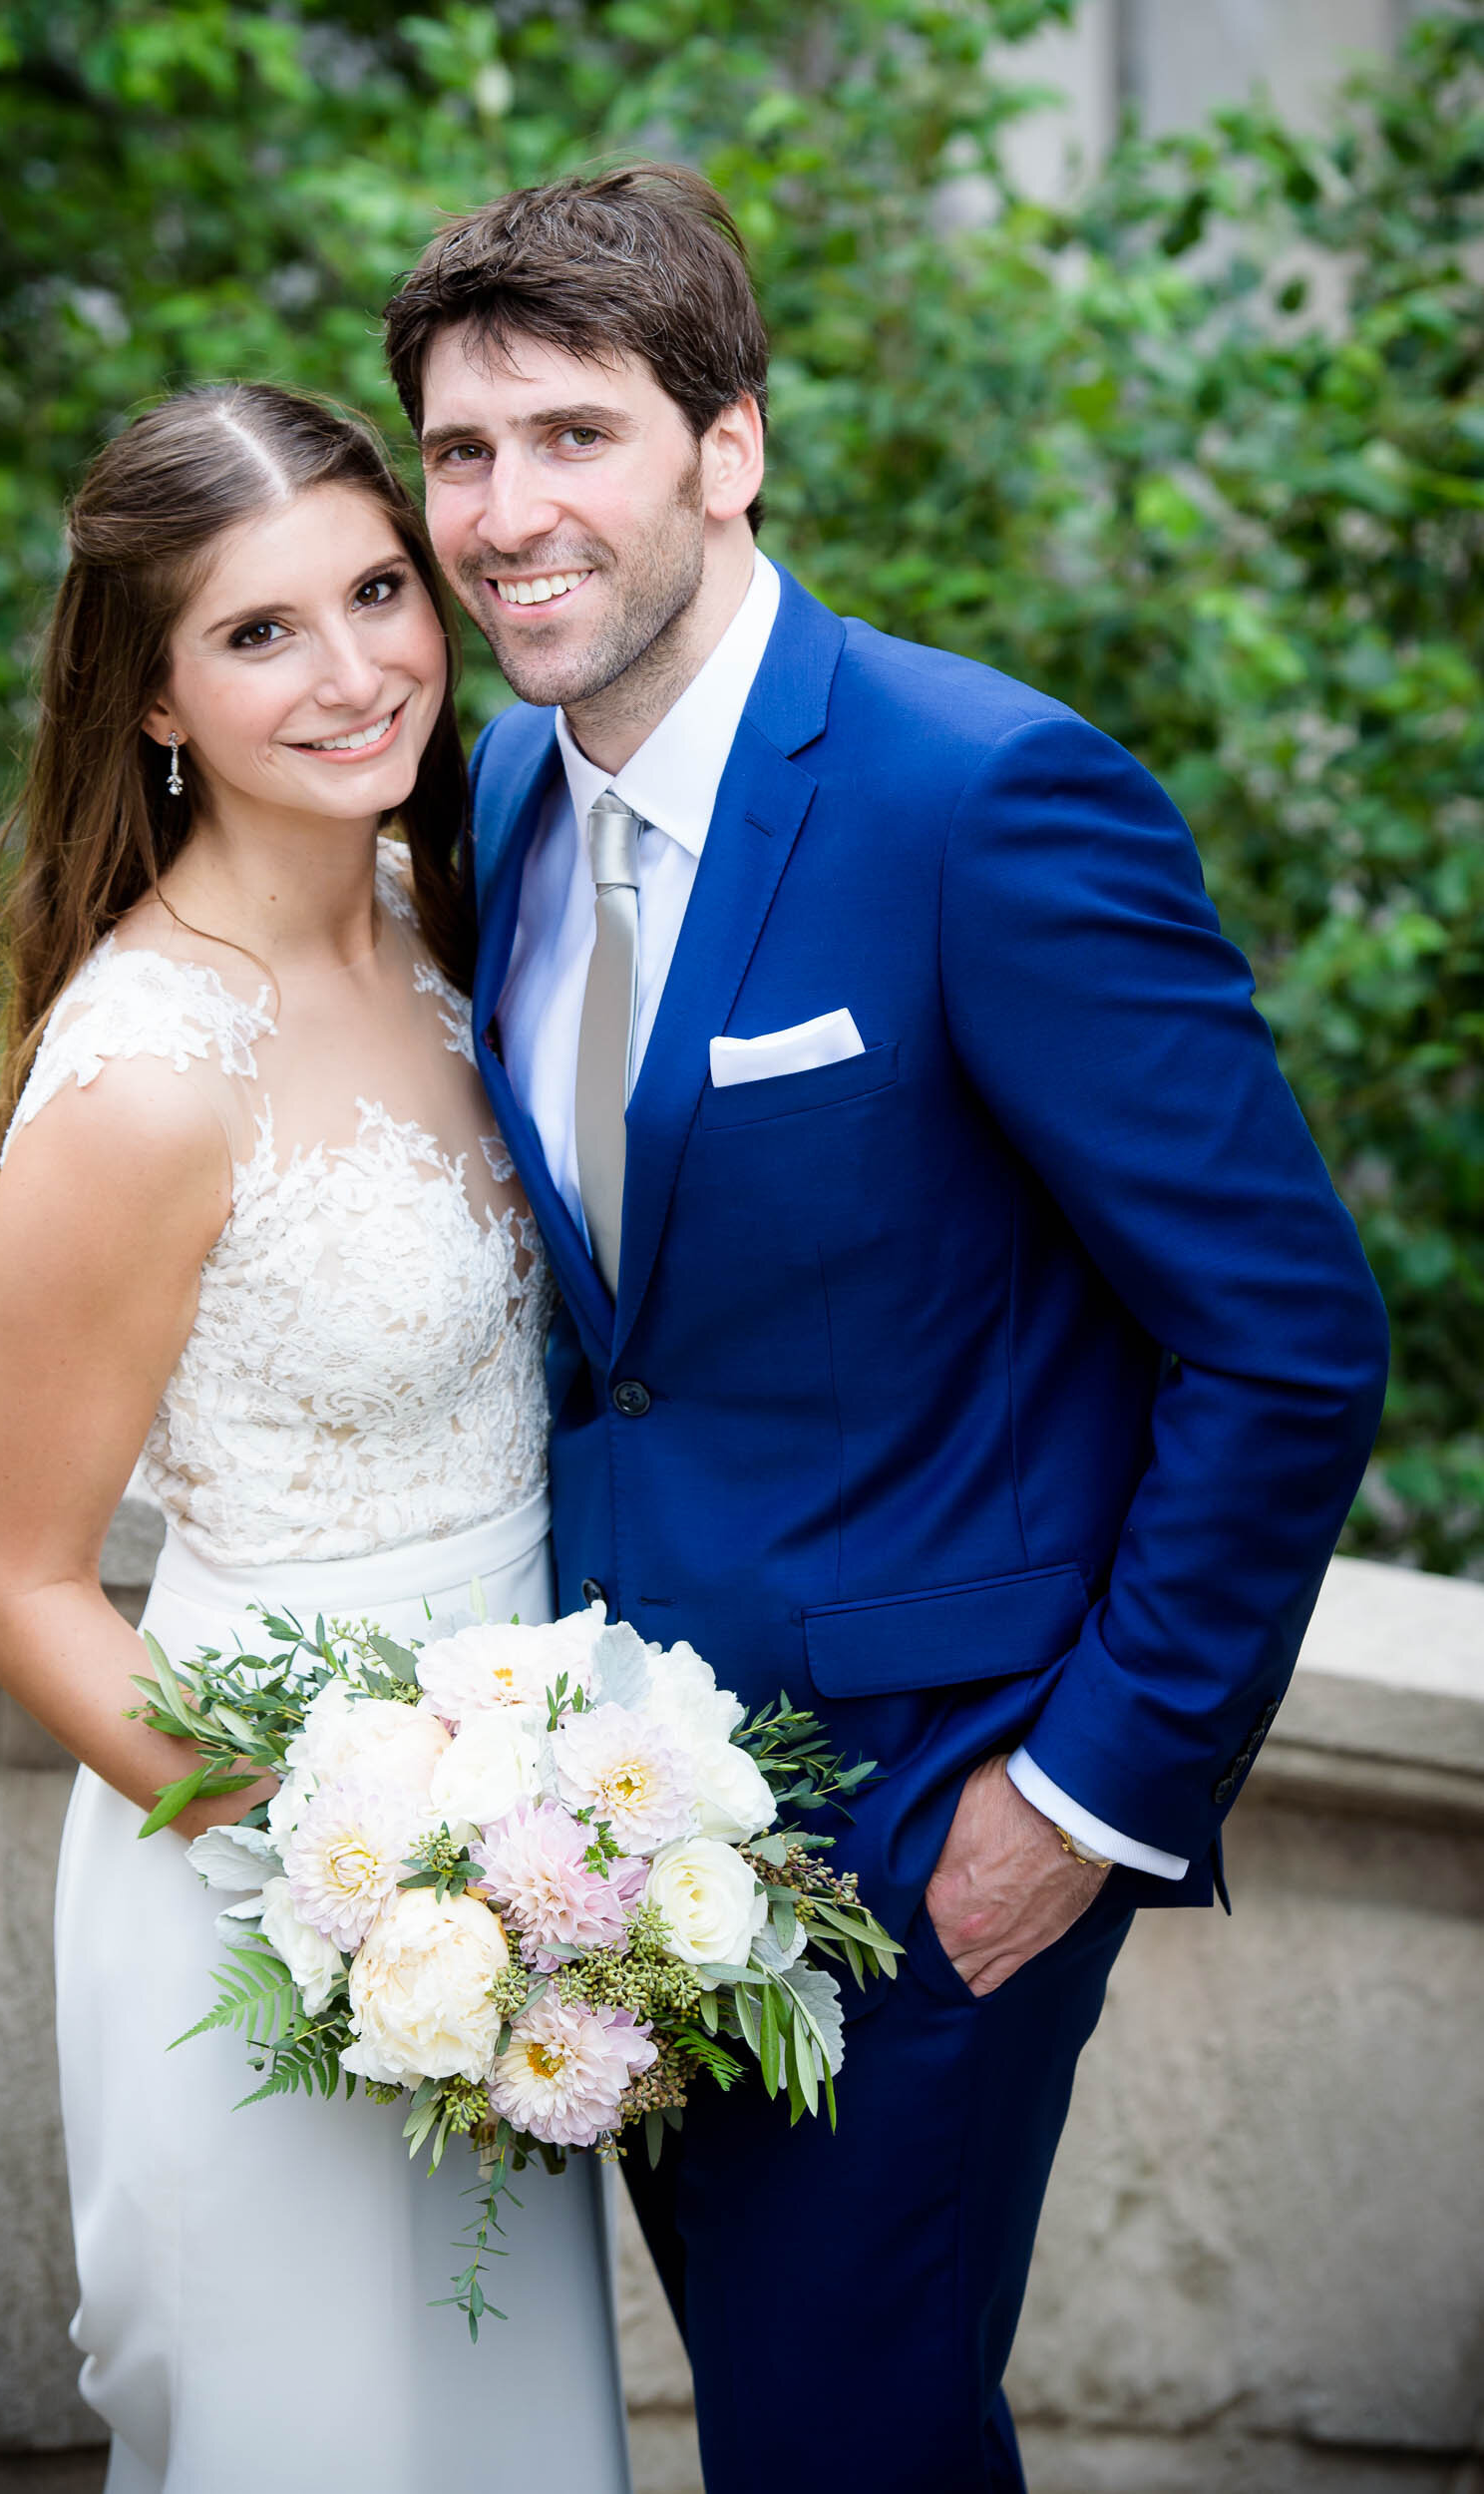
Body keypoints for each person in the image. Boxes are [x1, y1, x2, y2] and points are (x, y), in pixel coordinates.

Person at [382, 166, 1390, 2492]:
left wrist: (1078, 1804)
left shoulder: (982, 797)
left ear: (728, 445)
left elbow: (1285, 1340)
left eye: (574, 436)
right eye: (459, 451)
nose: (506, 512)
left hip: (928, 1846)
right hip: (585, 1874)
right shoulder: (496, 795)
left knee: (843, 2448)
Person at [0, 383, 632, 2494]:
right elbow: (17, 1577)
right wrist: (348, 1879)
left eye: (373, 590)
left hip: (532, 1882)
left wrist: (527, 1891)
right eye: (259, 633)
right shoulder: (148, 1067)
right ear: (151, 694)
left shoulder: (460, 936)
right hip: (282, 1893)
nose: (357, 669)